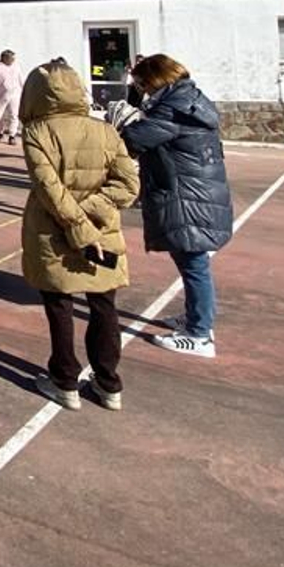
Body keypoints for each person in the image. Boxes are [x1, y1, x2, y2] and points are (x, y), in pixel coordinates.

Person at [19, 61, 138, 411]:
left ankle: (65, 379)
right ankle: (108, 382)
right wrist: (93, 214)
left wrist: (78, 225)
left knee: (60, 306)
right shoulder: (105, 131)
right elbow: (128, 186)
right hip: (103, 230)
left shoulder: (37, 133)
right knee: (103, 306)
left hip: (53, 230)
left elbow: (50, 190)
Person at [114, 53, 235, 359]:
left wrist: (119, 124)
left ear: (155, 80)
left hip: (188, 194)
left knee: (194, 264)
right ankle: (197, 316)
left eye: (142, 84)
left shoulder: (173, 109)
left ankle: (199, 334)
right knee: (191, 263)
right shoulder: (188, 99)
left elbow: (134, 140)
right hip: (197, 190)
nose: (142, 90)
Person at [0, 49, 24, 144]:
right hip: (0, 94)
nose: (12, 60)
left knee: (14, 115)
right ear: (3, 58)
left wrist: (24, 92)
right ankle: (0, 133)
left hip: (15, 93)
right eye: (10, 58)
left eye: (13, 58)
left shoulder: (17, 66)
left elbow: (21, 80)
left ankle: (12, 135)